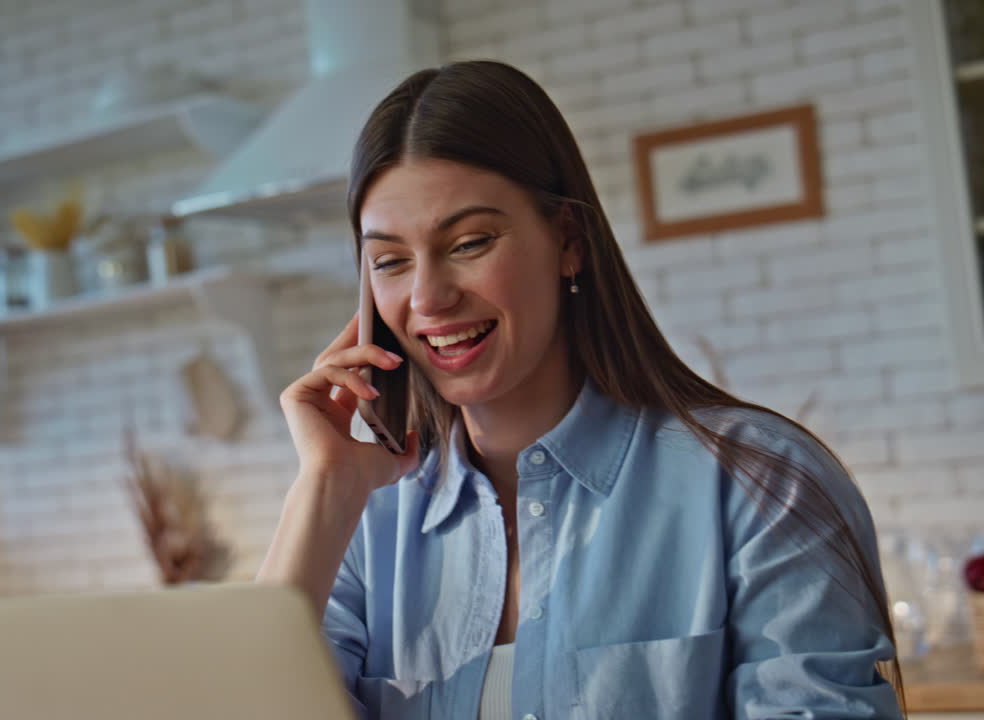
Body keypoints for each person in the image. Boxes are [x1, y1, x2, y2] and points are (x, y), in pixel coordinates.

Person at [258, 59, 905, 720]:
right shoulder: (366, 522)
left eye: (470, 242)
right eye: (390, 261)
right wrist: (323, 488)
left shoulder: (762, 482)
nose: (427, 296)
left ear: (568, 240)